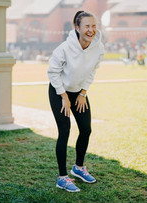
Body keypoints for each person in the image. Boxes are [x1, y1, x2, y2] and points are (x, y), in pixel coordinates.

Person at [47, 11, 105, 192]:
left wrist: (83, 92)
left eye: (94, 26)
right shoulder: (64, 48)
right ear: (77, 28)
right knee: (65, 131)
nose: (91, 30)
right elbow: (52, 72)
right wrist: (64, 96)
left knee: (86, 129)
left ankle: (78, 168)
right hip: (59, 92)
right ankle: (62, 178)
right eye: (87, 26)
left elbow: (93, 70)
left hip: (79, 92)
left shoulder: (99, 47)